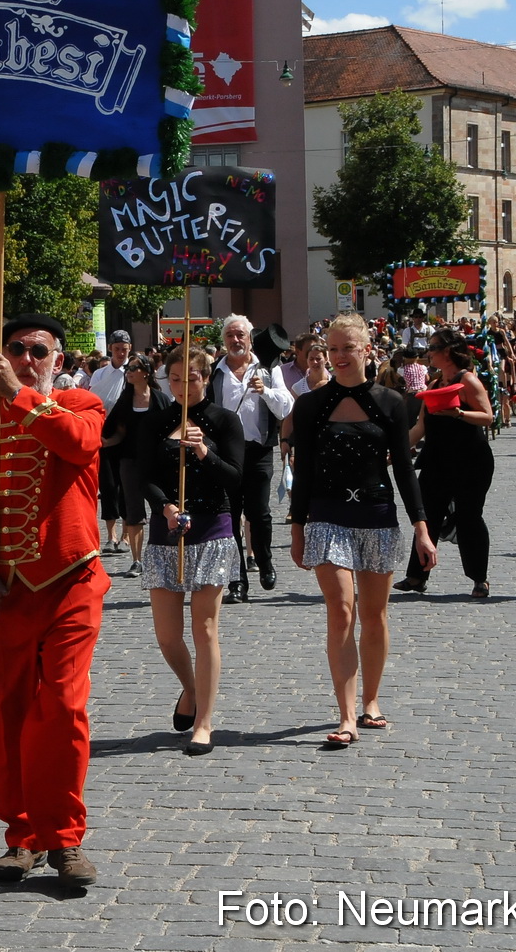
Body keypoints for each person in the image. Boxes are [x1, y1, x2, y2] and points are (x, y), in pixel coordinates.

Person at [0, 312, 107, 889]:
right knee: (5, 715)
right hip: (2, 592)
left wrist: (21, 399)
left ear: (58, 359)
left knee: (61, 706)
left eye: (40, 350)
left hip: (69, 581)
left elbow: (80, 447)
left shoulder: (82, 404)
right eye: (17, 349)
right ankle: (23, 833)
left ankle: (65, 836)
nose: (28, 358)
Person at [287, 314, 434, 749]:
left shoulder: (391, 402)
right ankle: (347, 714)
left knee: (374, 615)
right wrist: (297, 529)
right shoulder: (311, 405)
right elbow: (305, 471)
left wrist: (421, 529)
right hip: (326, 517)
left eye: (347, 348)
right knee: (342, 611)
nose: (337, 357)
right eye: (331, 349)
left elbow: (406, 472)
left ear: (367, 349)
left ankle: (371, 701)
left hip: (377, 515)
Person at [139, 346, 242, 757]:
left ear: (206, 378)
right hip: (167, 533)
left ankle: (204, 722)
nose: (183, 386)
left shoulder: (224, 420)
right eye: (176, 379)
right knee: (167, 636)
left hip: (213, 528)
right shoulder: (158, 421)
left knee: (205, 629)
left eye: (192, 378)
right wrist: (164, 506)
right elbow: (142, 477)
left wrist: (203, 451)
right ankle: (192, 688)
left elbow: (236, 479)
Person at [396, 328, 497, 598]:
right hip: (437, 459)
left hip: (471, 460)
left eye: (432, 348)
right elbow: (420, 427)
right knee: (426, 516)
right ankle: (416, 576)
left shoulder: (468, 382)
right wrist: (397, 449)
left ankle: (479, 578)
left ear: (448, 352)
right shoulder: (433, 384)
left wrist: (459, 413)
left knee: (469, 517)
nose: (428, 353)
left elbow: (487, 417)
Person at [208, 316, 294, 603]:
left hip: (258, 452)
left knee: (259, 514)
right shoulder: (214, 372)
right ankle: (236, 579)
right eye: (230, 335)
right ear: (224, 340)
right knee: (229, 517)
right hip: (226, 454)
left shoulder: (270, 370)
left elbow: (285, 408)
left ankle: (265, 561)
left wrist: (265, 391)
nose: (236, 340)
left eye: (240, 335)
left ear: (250, 339)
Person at [101, 355, 168, 576]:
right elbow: (118, 432)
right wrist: (104, 442)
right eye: (127, 368)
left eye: (133, 368)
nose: (128, 371)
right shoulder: (125, 400)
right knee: (133, 510)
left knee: (163, 507)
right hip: (129, 460)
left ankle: (162, 556)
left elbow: (171, 428)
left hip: (157, 462)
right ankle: (137, 560)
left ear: (146, 372)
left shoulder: (160, 399)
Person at [90, 330, 133, 553]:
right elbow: (95, 398)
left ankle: (126, 535)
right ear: (111, 349)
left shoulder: (133, 372)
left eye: (124, 349)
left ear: (130, 349)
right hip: (105, 430)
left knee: (126, 485)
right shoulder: (100, 374)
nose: (120, 353)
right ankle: (111, 534)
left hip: (128, 432)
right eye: (117, 349)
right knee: (107, 485)